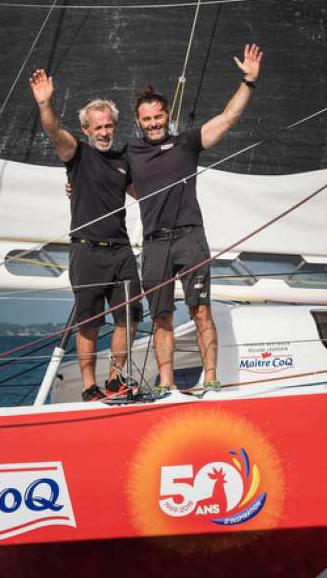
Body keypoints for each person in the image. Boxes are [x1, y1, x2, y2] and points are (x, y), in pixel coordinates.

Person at [128, 44, 263, 392]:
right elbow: (107, 178)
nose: (154, 123)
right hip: (155, 243)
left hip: (190, 238)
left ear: (167, 114)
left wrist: (247, 82)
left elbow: (227, 118)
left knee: (200, 310)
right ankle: (167, 386)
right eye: (147, 119)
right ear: (138, 122)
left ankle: (212, 380)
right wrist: (74, 188)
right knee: (161, 316)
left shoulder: (187, 143)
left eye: (158, 116)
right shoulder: (132, 153)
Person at [29, 68, 142, 402]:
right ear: (86, 129)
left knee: (131, 315)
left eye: (109, 126)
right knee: (89, 323)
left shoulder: (124, 160)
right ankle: (89, 387)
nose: (104, 132)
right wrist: (45, 104)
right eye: (98, 127)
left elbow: (146, 191)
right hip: (87, 251)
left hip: (121, 250)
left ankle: (115, 380)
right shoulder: (76, 154)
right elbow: (53, 130)